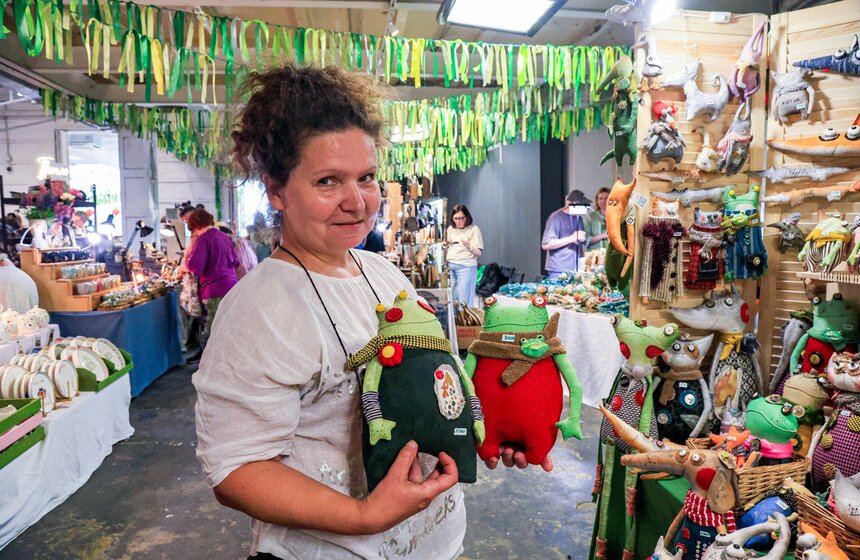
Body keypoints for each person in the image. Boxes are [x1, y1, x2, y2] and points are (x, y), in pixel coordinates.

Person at [193, 64, 548, 560]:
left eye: (367, 177)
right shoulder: (261, 308)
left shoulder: (381, 273)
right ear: (276, 191)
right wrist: (364, 516)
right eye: (327, 181)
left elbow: (430, 384)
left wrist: (484, 428)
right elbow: (236, 472)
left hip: (432, 540)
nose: (357, 202)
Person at [178, 209, 238, 350]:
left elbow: (195, 266)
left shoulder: (203, 239)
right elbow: (235, 261)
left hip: (214, 289)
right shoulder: (223, 236)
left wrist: (183, 266)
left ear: (196, 226)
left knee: (212, 330)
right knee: (227, 327)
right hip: (232, 286)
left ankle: (207, 367)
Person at [541, 189, 589, 278]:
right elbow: (546, 244)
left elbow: (581, 243)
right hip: (559, 270)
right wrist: (571, 238)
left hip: (576, 269)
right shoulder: (555, 218)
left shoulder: (578, 218)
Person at [446, 204, 483, 306]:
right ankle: (455, 320)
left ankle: (464, 320)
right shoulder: (451, 229)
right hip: (452, 265)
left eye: (461, 218)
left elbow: (478, 252)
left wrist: (469, 246)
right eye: (455, 219)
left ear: (467, 217)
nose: (458, 221)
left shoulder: (473, 229)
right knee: (453, 299)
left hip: (465, 266)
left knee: (464, 300)